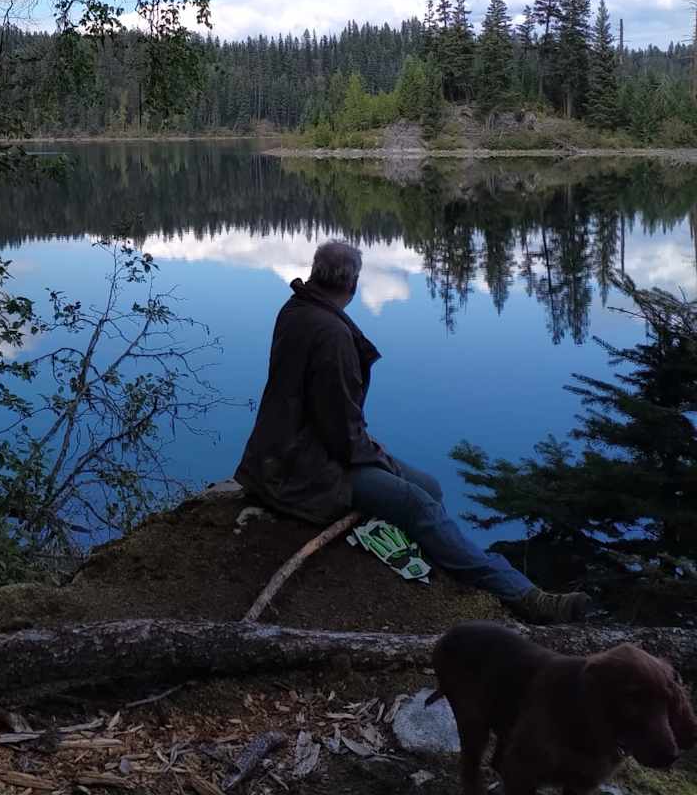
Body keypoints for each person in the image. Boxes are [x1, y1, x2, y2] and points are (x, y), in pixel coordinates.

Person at [234, 239, 590, 624]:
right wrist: (377, 458)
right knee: (417, 502)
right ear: (352, 284)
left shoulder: (297, 308)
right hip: (305, 466)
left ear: (317, 271)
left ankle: (450, 564)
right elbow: (340, 431)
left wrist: (373, 453)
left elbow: (332, 420)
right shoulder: (331, 335)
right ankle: (526, 597)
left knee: (430, 487)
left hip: (300, 449)